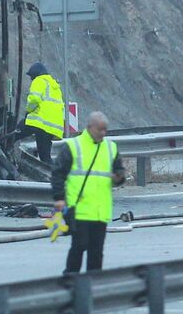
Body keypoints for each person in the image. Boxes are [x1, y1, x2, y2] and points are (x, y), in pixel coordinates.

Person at [52, 111, 126, 273]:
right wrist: (59, 198)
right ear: (90, 127)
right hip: (79, 209)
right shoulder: (73, 146)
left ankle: (93, 286)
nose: (103, 133)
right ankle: (71, 280)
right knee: (79, 246)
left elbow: (119, 172)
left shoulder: (110, 147)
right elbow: (58, 173)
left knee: (96, 252)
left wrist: (118, 178)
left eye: (105, 130)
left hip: (100, 211)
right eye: (100, 129)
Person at [18, 62, 64, 162]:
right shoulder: (54, 86)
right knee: (45, 156)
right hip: (51, 126)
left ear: (35, 74)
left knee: (16, 132)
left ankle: (5, 148)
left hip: (40, 122)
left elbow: (34, 99)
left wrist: (28, 111)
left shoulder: (39, 81)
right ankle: (51, 174)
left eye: (31, 76)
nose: (31, 79)